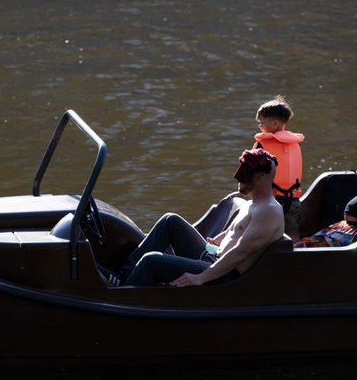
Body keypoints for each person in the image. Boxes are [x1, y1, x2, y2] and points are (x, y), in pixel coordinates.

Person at [120, 148, 286, 286]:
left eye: (244, 174)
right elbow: (235, 233)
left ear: (259, 177)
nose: (238, 178)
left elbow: (241, 252)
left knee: (151, 261)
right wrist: (218, 240)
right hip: (213, 257)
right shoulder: (253, 203)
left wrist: (201, 277)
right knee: (170, 221)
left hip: (223, 274)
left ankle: (123, 296)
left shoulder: (269, 211)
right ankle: (122, 277)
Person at [251, 96, 305, 240]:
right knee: (293, 233)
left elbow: (250, 172)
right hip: (293, 200)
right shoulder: (294, 144)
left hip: (271, 201)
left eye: (261, 122)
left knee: (266, 234)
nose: (260, 126)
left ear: (274, 123)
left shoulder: (262, 145)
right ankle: (297, 255)